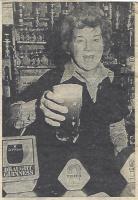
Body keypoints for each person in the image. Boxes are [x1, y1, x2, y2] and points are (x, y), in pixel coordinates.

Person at [8, 5, 130, 196]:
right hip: (60, 186)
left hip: (105, 186)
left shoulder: (114, 81)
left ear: (104, 43)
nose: (89, 48)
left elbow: (117, 131)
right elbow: (11, 117)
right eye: (80, 40)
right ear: (69, 45)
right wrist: (38, 106)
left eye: (95, 39)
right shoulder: (53, 79)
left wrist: (128, 159)